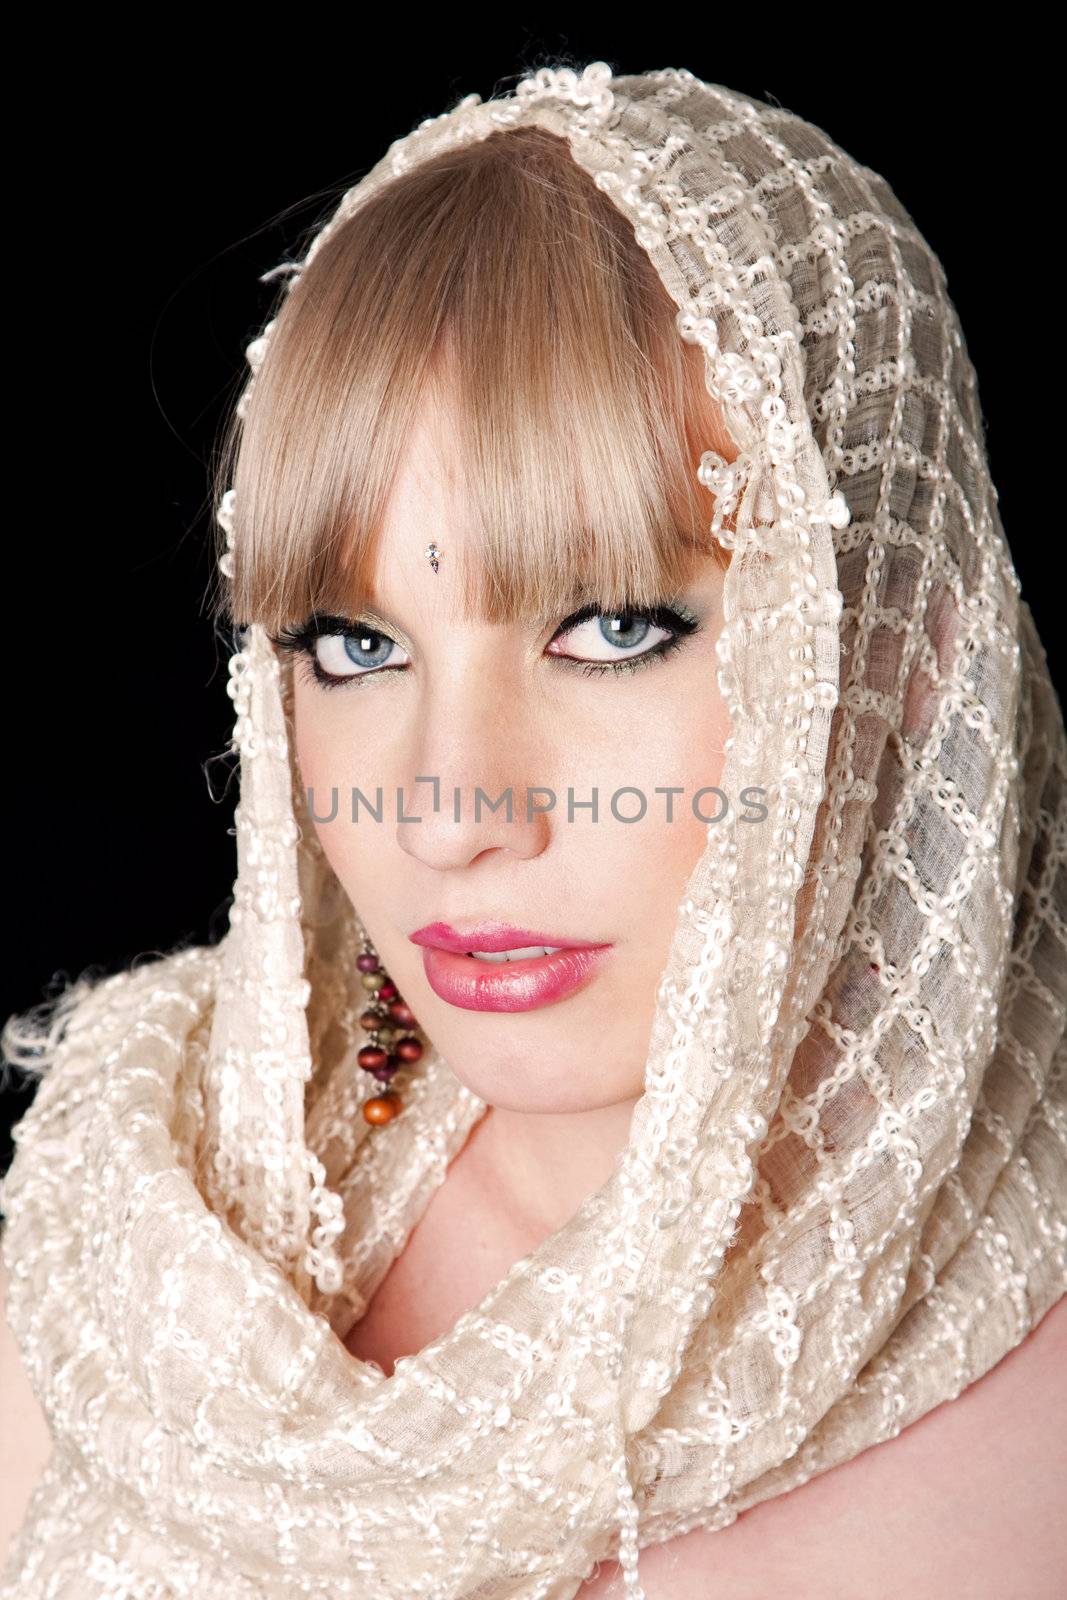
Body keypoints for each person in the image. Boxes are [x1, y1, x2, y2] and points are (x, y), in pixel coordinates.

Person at [2, 59, 1065, 1600]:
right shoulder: (137, 1219)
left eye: (612, 628)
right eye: (356, 645)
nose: (445, 815)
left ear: (899, 655)